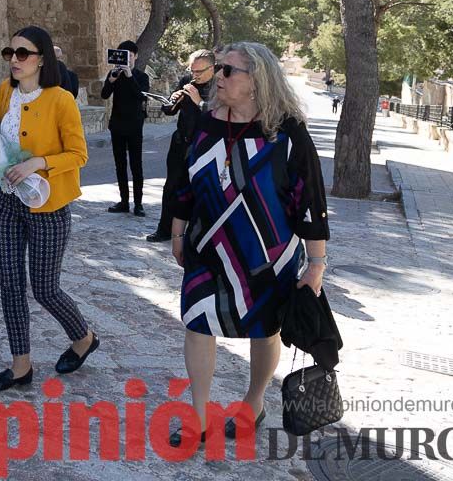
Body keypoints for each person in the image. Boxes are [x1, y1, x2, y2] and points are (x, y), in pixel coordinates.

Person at [168, 42, 330, 446]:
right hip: (207, 246)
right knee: (197, 323)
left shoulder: (286, 132)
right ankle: (199, 415)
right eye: (218, 69)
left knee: (265, 329)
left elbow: (310, 196)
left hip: (268, 255)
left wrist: (316, 263)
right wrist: (177, 230)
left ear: (257, 82)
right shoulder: (206, 124)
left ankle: (253, 404)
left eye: (228, 71)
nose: (217, 77)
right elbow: (185, 182)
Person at [0, 26, 98, 392]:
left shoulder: (61, 100)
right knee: (10, 284)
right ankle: (20, 365)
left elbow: (78, 154)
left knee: (44, 288)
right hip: (6, 200)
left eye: (23, 54)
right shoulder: (5, 91)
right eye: (11, 53)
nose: (15, 60)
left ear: (42, 59)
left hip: (46, 205)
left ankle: (84, 337)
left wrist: (38, 162)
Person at [147, 49, 214, 242]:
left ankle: (196, 233)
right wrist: (172, 101)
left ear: (212, 68)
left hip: (203, 146)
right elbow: (169, 111)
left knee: (199, 189)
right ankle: (164, 229)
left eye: (200, 72)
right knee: (172, 187)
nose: (195, 76)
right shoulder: (186, 80)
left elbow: (217, 116)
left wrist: (199, 101)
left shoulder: (220, 86)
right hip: (181, 142)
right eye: (193, 71)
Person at [101, 40, 150, 217]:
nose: (126, 59)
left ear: (135, 56)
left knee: (136, 165)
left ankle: (138, 204)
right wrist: (112, 80)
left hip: (135, 125)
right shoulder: (114, 73)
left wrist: (129, 76)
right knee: (120, 165)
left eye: (129, 55)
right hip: (117, 125)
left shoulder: (142, 77)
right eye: (123, 55)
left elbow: (140, 96)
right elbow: (104, 94)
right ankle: (123, 201)